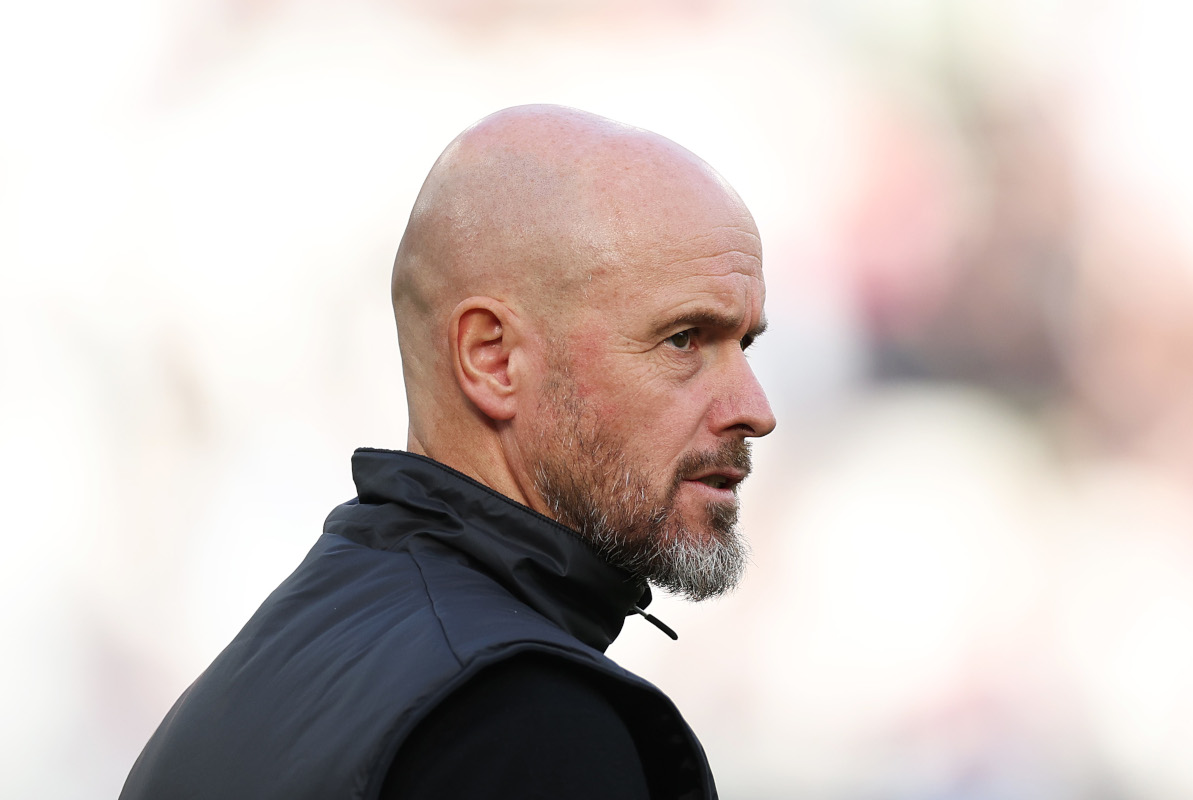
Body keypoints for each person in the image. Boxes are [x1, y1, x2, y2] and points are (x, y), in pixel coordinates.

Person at [120, 104, 776, 799]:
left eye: (747, 343)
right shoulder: (528, 725)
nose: (756, 410)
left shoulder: (262, 678)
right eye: (684, 339)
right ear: (492, 358)